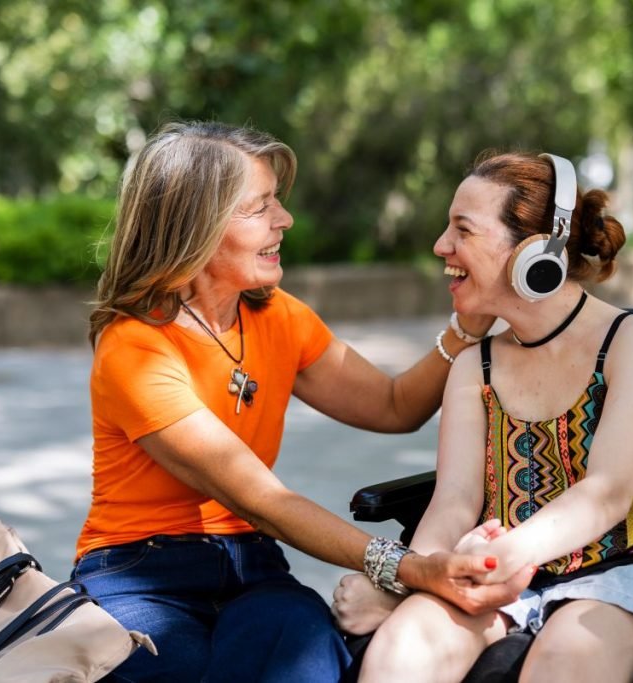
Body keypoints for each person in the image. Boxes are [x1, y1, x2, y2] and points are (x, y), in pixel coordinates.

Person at [71, 120, 534, 683]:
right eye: (260, 206)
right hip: (138, 572)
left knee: (307, 658)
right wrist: (412, 568)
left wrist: (467, 327)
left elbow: (393, 406)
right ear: (197, 226)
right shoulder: (134, 348)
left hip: (252, 567)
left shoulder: (276, 315)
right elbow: (260, 499)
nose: (284, 219)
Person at [333, 150, 633, 682]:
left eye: (463, 230)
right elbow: (454, 501)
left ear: (535, 253)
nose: (441, 246)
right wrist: (418, 578)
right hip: (497, 575)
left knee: (564, 659)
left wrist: (495, 560)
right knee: (402, 648)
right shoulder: (475, 363)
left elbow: (607, 495)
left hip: (623, 577)